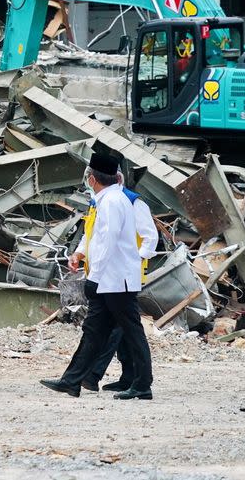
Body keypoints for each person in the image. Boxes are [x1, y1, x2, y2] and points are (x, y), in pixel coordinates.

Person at [40, 153, 154, 400]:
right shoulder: (105, 200)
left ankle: (142, 384)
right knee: (94, 330)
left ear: (92, 179)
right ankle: (73, 380)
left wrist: (95, 278)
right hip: (110, 279)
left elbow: (108, 242)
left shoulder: (113, 202)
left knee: (131, 331)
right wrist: (83, 258)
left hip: (116, 280)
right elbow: (94, 238)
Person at [74, 170, 159, 393]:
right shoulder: (99, 202)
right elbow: (91, 235)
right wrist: (79, 253)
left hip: (122, 274)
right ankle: (128, 377)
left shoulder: (131, 202)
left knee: (116, 328)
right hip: (104, 273)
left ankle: (94, 376)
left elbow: (150, 238)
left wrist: (133, 258)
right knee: (118, 327)